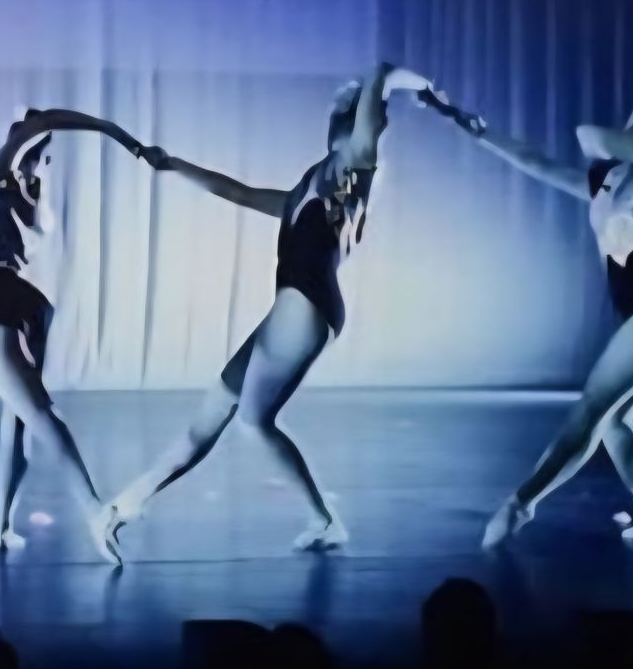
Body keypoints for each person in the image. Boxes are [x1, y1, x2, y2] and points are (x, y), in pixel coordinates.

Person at [111, 63, 438, 552]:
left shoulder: (356, 166)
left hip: (306, 307)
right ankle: (128, 503)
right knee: (215, 412)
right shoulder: (308, 184)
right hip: (292, 309)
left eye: (344, 110)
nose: (334, 115)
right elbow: (237, 192)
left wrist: (405, 85)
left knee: (252, 422)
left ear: (357, 125)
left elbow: (382, 77)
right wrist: (173, 163)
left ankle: (325, 521)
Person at [428, 78, 633, 547]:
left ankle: (521, 505)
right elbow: (536, 162)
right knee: (615, 420)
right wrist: (476, 130)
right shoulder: (607, 181)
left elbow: (588, 135)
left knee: (592, 409)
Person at [0, 108, 153, 563]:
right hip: (24, 305)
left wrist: (112, 130)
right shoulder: (27, 197)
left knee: (34, 415)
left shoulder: (9, 181)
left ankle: (95, 512)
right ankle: (0, 526)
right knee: (17, 422)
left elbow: (39, 123)